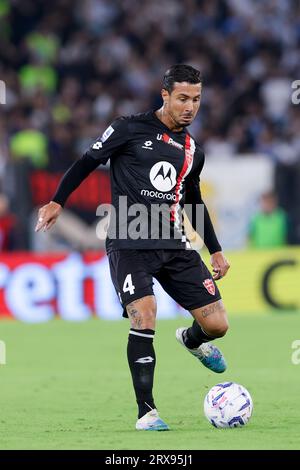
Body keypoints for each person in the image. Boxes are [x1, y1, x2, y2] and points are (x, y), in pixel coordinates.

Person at [35, 64, 230, 431]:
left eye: (197, 100)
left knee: (218, 325)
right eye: (183, 98)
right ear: (165, 96)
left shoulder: (192, 151)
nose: (190, 107)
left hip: (174, 244)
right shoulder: (127, 128)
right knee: (145, 312)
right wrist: (57, 200)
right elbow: (87, 161)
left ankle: (191, 340)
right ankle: (147, 412)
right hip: (129, 241)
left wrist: (215, 249)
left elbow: (192, 200)